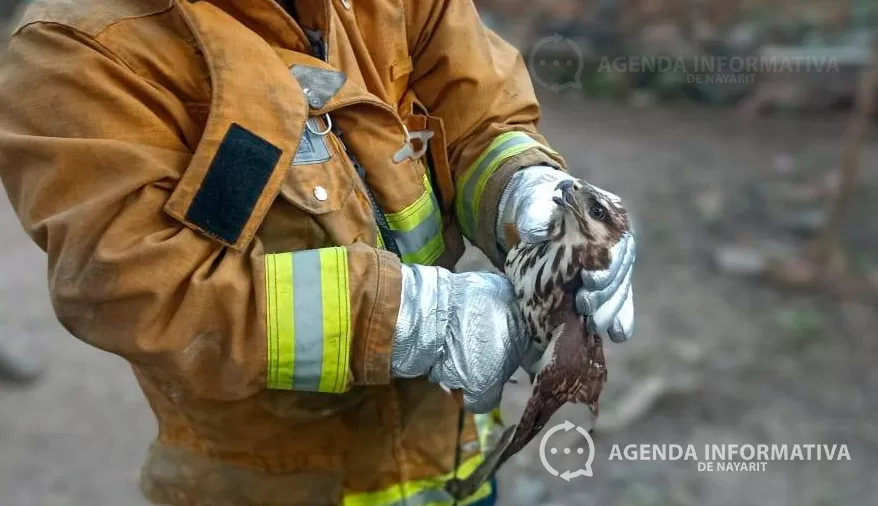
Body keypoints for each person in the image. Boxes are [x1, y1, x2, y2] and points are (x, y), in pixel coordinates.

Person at [0, 1, 636, 505]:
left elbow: (475, 115)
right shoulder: (76, 48)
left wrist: (526, 190)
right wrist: (412, 319)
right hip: (266, 480)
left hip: (445, 454)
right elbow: (133, 285)